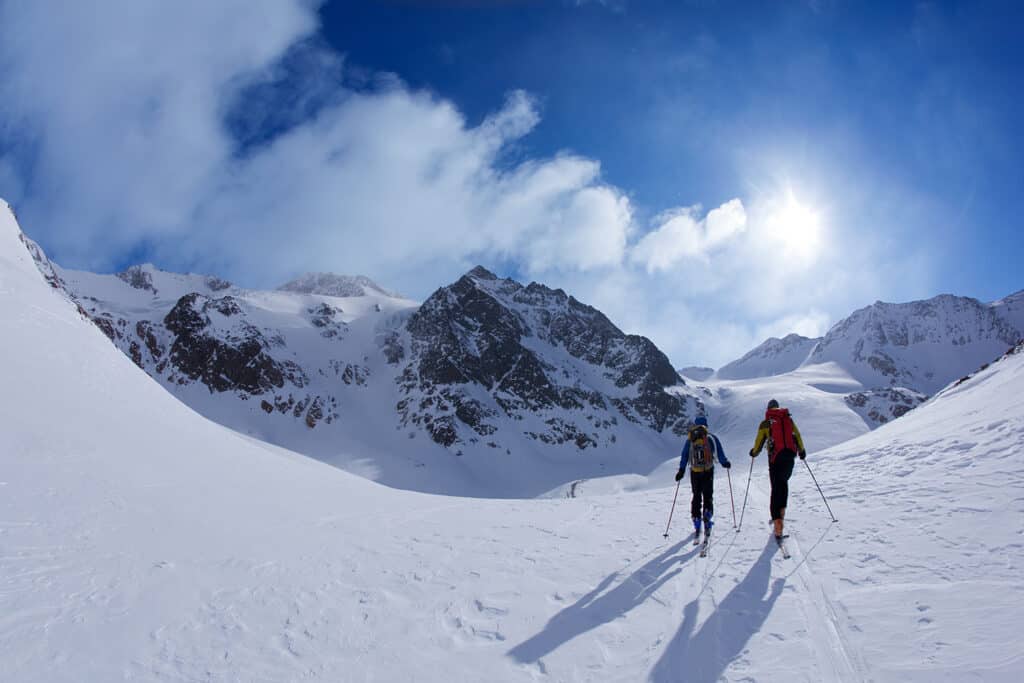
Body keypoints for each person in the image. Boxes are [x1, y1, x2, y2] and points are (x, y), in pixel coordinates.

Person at [749, 399, 807, 539]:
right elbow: (797, 435)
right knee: (783, 484)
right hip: (790, 456)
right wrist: (802, 451)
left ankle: (777, 523)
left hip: (775, 459)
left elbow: (759, 441)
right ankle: (781, 514)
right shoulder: (788, 419)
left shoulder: (766, 422)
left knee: (776, 488)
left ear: (768, 409)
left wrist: (754, 452)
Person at [675, 416, 731, 539]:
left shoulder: (690, 439)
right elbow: (719, 452)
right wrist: (725, 463)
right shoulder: (711, 437)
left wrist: (681, 470)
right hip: (708, 471)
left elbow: (684, 455)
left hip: (695, 472)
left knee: (696, 495)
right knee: (708, 495)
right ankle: (707, 515)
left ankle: (696, 520)